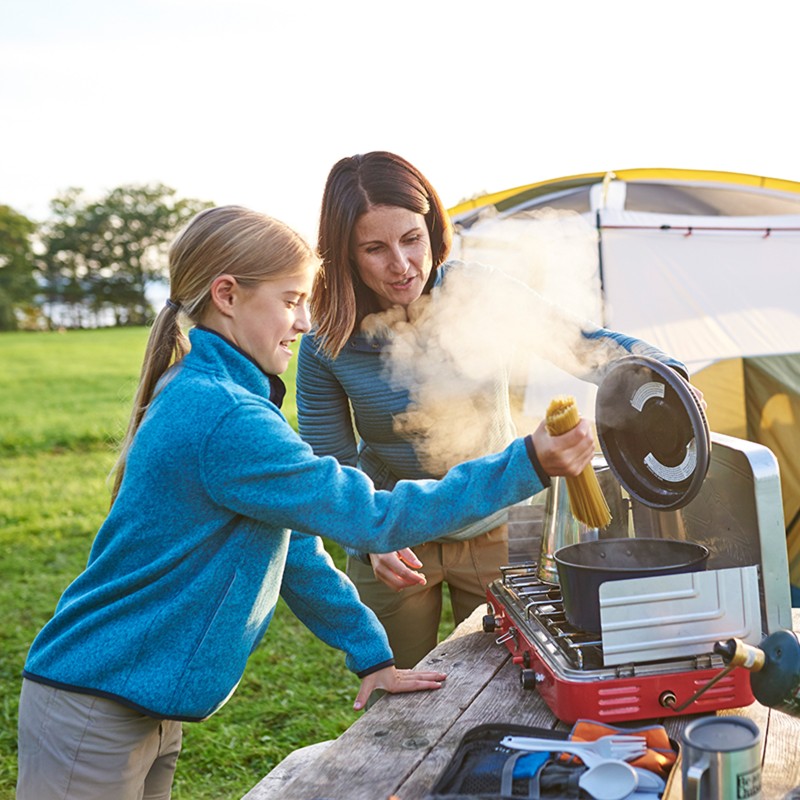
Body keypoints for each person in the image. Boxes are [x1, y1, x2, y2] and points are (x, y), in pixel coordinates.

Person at [17, 205, 597, 800]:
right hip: (94, 707)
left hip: (133, 704)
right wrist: (529, 460)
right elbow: (377, 518)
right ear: (228, 295)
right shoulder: (226, 416)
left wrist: (371, 657)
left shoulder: (219, 395)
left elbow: (295, 548)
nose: (302, 323)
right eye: (292, 300)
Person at [296, 151, 694, 669]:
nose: (401, 265)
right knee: (398, 687)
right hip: (393, 536)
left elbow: (579, 343)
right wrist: (367, 536)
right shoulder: (326, 339)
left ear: (433, 230)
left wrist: (666, 373)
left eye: (412, 240)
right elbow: (331, 456)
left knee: (507, 678)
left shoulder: (476, 291)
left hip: (494, 525)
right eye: (375, 248)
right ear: (345, 255)